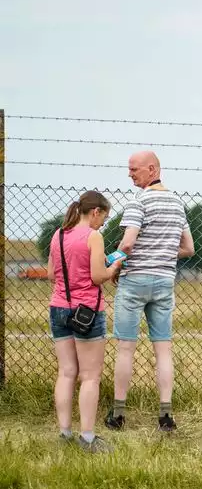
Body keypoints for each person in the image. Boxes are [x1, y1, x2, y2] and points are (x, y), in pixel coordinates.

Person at [106, 151, 195, 434]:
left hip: (134, 282)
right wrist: (163, 253)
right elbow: (189, 248)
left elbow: (128, 243)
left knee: (125, 348)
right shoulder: (178, 204)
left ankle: (118, 413)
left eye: (134, 169)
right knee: (163, 348)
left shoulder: (138, 201)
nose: (130, 174)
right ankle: (166, 415)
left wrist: (113, 262)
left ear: (151, 169)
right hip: (164, 281)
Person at [49, 191, 124, 453]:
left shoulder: (58, 235)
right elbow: (97, 276)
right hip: (87, 312)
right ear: (95, 212)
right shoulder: (94, 236)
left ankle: (64, 433)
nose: (103, 223)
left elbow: (51, 274)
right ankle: (88, 438)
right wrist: (113, 267)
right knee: (90, 376)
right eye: (104, 217)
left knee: (66, 372)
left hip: (58, 307)